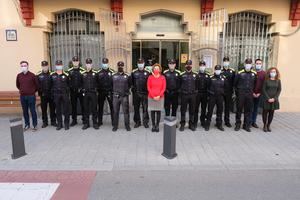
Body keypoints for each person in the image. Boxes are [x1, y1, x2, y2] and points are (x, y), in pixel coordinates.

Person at [234, 58, 257, 132]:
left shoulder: (254, 73)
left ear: (251, 64)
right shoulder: (240, 73)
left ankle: (246, 125)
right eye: (247, 63)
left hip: (249, 94)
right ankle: (238, 124)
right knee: (239, 110)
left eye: (249, 63)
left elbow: (255, 84)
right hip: (241, 94)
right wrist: (237, 93)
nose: (248, 64)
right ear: (244, 64)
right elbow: (235, 84)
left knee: (248, 110)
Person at [16, 61, 39, 131]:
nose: (23, 67)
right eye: (22, 66)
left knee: (33, 111)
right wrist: (23, 90)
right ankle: (27, 124)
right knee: (25, 111)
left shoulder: (32, 75)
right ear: (20, 67)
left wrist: (32, 91)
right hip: (23, 96)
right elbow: (18, 85)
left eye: (25, 65)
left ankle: (35, 125)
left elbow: (37, 85)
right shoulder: (19, 75)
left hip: (31, 96)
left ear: (28, 66)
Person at [50, 60, 70, 131]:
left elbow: (69, 84)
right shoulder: (52, 75)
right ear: (55, 66)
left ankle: (66, 124)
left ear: (62, 65)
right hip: (56, 94)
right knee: (58, 110)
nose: (59, 66)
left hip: (64, 94)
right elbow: (51, 85)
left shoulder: (66, 75)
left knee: (66, 110)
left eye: (60, 64)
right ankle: (59, 124)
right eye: (57, 65)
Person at [112, 61, 132, 132]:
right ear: (117, 66)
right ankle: (115, 126)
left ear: (124, 66)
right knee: (115, 112)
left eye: (122, 66)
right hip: (115, 96)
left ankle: (127, 126)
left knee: (126, 112)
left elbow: (130, 84)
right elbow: (111, 85)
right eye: (119, 66)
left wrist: (126, 91)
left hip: (124, 96)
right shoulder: (113, 75)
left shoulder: (127, 75)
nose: (120, 67)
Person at [179, 60, 198, 132]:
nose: (189, 66)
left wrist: (195, 93)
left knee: (192, 110)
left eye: (190, 65)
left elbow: (197, 85)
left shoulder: (196, 75)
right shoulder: (181, 75)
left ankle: (191, 124)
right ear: (185, 66)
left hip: (193, 95)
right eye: (187, 65)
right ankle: (182, 124)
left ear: (192, 65)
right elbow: (179, 85)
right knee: (183, 110)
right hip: (184, 95)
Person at [205, 65, 226, 131]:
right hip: (212, 97)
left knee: (220, 111)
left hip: (220, 97)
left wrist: (223, 93)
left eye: (219, 69)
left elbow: (226, 87)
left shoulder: (223, 78)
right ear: (214, 70)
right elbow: (207, 88)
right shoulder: (211, 77)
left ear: (220, 70)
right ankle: (207, 124)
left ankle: (219, 124)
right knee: (210, 111)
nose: (218, 71)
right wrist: (210, 93)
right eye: (216, 69)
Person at [36, 61, 56, 128]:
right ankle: (45, 122)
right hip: (43, 95)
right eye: (43, 66)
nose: (45, 67)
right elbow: (37, 85)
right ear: (42, 66)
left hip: (51, 95)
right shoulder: (38, 75)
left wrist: (53, 92)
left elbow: (54, 84)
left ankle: (53, 121)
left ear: (48, 66)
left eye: (46, 66)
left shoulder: (52, 74)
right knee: (44, 109)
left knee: (52, 109)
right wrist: (40, 92)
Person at [147, 63, 166, 132]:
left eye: (157, 69)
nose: (156, 70)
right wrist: (153, 96)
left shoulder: (162, 77)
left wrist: (159, 96)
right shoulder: (150, 77)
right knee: (152, 111)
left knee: (158, 112)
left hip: (160, 98)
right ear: (153, 69)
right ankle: (153, 125)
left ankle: (157, 125)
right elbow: (148, 87)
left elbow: (164, 88)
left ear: (160, 70)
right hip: (151, 97)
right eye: (155, 69)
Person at [131, 58, 150, 128]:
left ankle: (145, 122)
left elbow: (149, 83)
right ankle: (137, 122)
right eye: (139, 63)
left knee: (145, 108)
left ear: (144, 63)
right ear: (137, 64)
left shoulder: (148, 72)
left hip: (145, 93)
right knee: (136, 108)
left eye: (141, 63)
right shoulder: (134, 72)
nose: (140, 64)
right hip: (136, 93)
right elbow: (131, 82)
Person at [261, 67, 281, 132]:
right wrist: (268, 98)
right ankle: (264, 125)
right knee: (265, 113)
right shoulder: (266, 80)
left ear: (276, 73)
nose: (273, 73)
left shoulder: (278, 81)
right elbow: (263, 89)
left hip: (274, 100)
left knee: (271, 113)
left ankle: (268, 125)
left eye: (274, 72)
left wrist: (275, 98)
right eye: (272, 72)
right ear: (269, 73)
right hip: (266, 99)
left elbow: (279, 90)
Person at [81, 58, 99, 130]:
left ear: (92, 64)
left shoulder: (95, 73)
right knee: (86, 109)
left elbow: (98, 83)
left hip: (93, 93)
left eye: (90, 63)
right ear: (86, 64)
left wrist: (96, 89)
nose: (89, 65)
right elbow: (80, 83)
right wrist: (82, 90)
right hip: (85, 94)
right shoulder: (82, 73)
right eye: (87, 63)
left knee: (94, 108)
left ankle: (95, 123)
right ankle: (86, 123)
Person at [68, 56, 85, 126]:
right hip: (73, 91)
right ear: (72, 62)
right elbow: (67, 82)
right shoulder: (69, 71)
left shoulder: (82, 70)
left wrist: (82, 88)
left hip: (81, 91)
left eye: (76, 61)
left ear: (78, 62)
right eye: (74, 61)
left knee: (83, 105)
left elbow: (85, 81)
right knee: (73, 106)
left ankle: (84, 119)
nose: (75, 62)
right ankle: (74, 120)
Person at [97, 58, 114, 127]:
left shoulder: (112, 72)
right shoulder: (98, 73)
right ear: (102, 63)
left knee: (112, 108)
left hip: (110, 92)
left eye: (106, 63)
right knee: (100, 107)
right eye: (104, 63)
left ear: (108, 63)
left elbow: (114, 83)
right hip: (101, 92)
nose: (105, 64)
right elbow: (96, 82)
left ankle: (113, 121)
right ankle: (100, 122)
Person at [194, 60, 210, 128]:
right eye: (201, 65)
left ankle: (202, 121)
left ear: (205, 66)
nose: (202, 67)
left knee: (204, 108)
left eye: (203, 65)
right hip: (197, 94)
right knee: (196, 109)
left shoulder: (208, 75)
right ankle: (195, 122)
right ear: (199, 66)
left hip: (205, 94)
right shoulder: (196, 75)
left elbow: (209, 85)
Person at [251, 59, 266, 128]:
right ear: (254, 64)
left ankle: (254, 122)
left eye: (259, 63)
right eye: (257, 63)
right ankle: (249, 121)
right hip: (251, 94)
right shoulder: (252, 72)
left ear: (262, 64)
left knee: (255, 109)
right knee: (250, 108)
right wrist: (252, 92)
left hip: (259, 94)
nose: (258, 65)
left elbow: (264, 85)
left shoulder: (264, 73)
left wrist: (259, 93)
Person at [221, 56, 235, 127]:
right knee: (220, 107)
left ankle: (227, 121)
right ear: (223, 62)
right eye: (224, 61)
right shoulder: (220, 70)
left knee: (227, 107)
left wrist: (234, 92)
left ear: (229, 62)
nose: (226, 62)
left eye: (227, 61)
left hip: (229, 92)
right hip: (221, 92)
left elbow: (234, 82)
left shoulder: (232, 71)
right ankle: (219, 121)